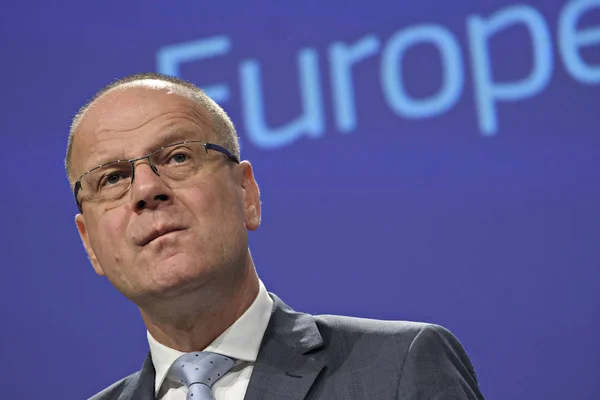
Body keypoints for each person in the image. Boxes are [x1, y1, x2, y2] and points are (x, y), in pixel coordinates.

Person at [66, 72, 485, 400]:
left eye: (178, 157)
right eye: (112, 179)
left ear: (247, 194)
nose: (145, 190)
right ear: (90, 244)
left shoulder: (397, 367)